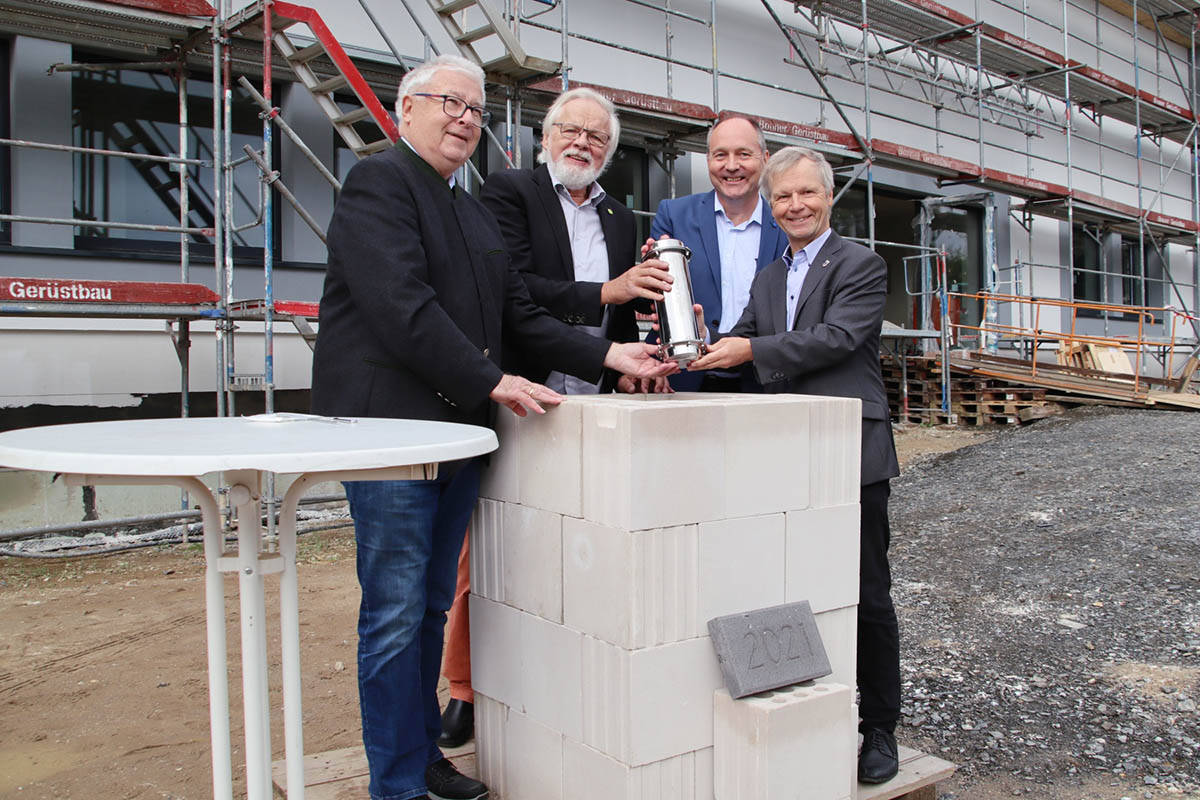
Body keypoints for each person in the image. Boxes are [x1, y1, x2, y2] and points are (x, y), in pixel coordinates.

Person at [310, 54, 674, 800]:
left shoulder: (468, 208)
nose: (464, 119)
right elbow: (402, 310)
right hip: (390, 438)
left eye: (475, 110)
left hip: (457, 440)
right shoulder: (379, 183)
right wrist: (493, 379)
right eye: (450, 103)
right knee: (392, 614)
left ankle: (423, 762)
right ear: (404, 109)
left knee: (431, 607)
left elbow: (519, 313)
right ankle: (396, 784)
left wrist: (609, 350)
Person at [435, 87, 673, 752]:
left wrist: (623, 366)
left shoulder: (622, 218)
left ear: (610, 149)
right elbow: (514, 298)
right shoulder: (508, 194)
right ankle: (463, 688)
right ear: (546, 136)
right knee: (482, 553)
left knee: (577, 550)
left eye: (597, 137)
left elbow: (620, 321)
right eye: (571, 130)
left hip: (592, 406)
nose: (583, 144)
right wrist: (608, 291)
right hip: (521, 397)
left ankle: (555, 677)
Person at [686, 145, 903, 785]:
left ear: (827, 197)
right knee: (789, 581)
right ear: (770, 203)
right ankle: (805, 707)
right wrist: (699, 349)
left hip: (850, 454)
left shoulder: (860, 264)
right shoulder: (769, 276)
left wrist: (748, 346)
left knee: (866, 593)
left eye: (806, 194)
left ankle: (879, 726)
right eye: (782, 197)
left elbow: (836, 340)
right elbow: (747, 350)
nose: (795, 206)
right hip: (783, 453)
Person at [650, 113, 789, 391]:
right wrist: (647, 278)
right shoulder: (674, 215)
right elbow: (652, 304)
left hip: (765, 384)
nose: (732, 166)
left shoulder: (788, 225)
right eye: (720, 155)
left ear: (765, 158)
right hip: (684, 379)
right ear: (708, 160)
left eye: (744, 154)